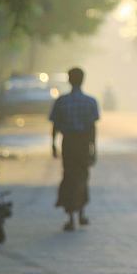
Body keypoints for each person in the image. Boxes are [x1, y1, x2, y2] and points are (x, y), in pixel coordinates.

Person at [49, 67, 99, 231]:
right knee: (82, 177)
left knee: (69, 176)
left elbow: (55, 125)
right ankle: (82, 213)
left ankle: (71, 217)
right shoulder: (90, 101)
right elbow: (92, 128)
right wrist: (93, 148)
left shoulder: (62, 101)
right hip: (83, 143)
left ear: (69, 80)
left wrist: (53, 144)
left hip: (68, 143)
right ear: (83, 80)